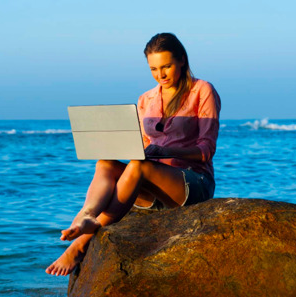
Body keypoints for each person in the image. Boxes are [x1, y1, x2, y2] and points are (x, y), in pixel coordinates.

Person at [46, 33, 221, 276]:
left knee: (139, 167)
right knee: (105, 163)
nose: (161, 75)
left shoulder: (202, 90)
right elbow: (141, 145)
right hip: (151, 188)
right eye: (154, 69)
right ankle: (86, 214)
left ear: (182, 60)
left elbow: (206, 150)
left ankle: (81, 243)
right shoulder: (145, 99)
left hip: (191, 183)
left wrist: (166, 151)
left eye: (167, 66)